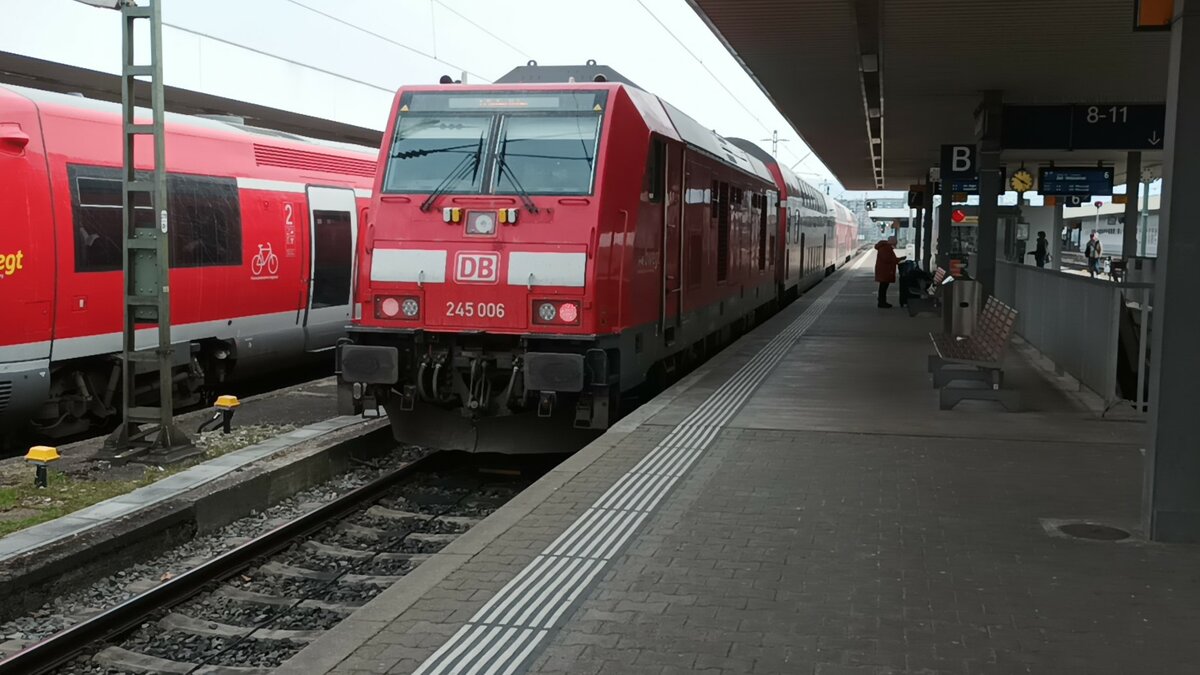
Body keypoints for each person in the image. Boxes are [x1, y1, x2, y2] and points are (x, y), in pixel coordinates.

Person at [874, 236, 905, 308]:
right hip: (885, 270)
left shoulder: (886, 247)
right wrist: (898, 260)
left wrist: (899, 259)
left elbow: (889, 258)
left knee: (883, 286)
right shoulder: (886, 248)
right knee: (883, 287)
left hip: (884, 270)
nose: (896, 243)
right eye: (895, 242)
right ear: (892, 242)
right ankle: (882, 302)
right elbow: (887, 259)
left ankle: (882, 301)